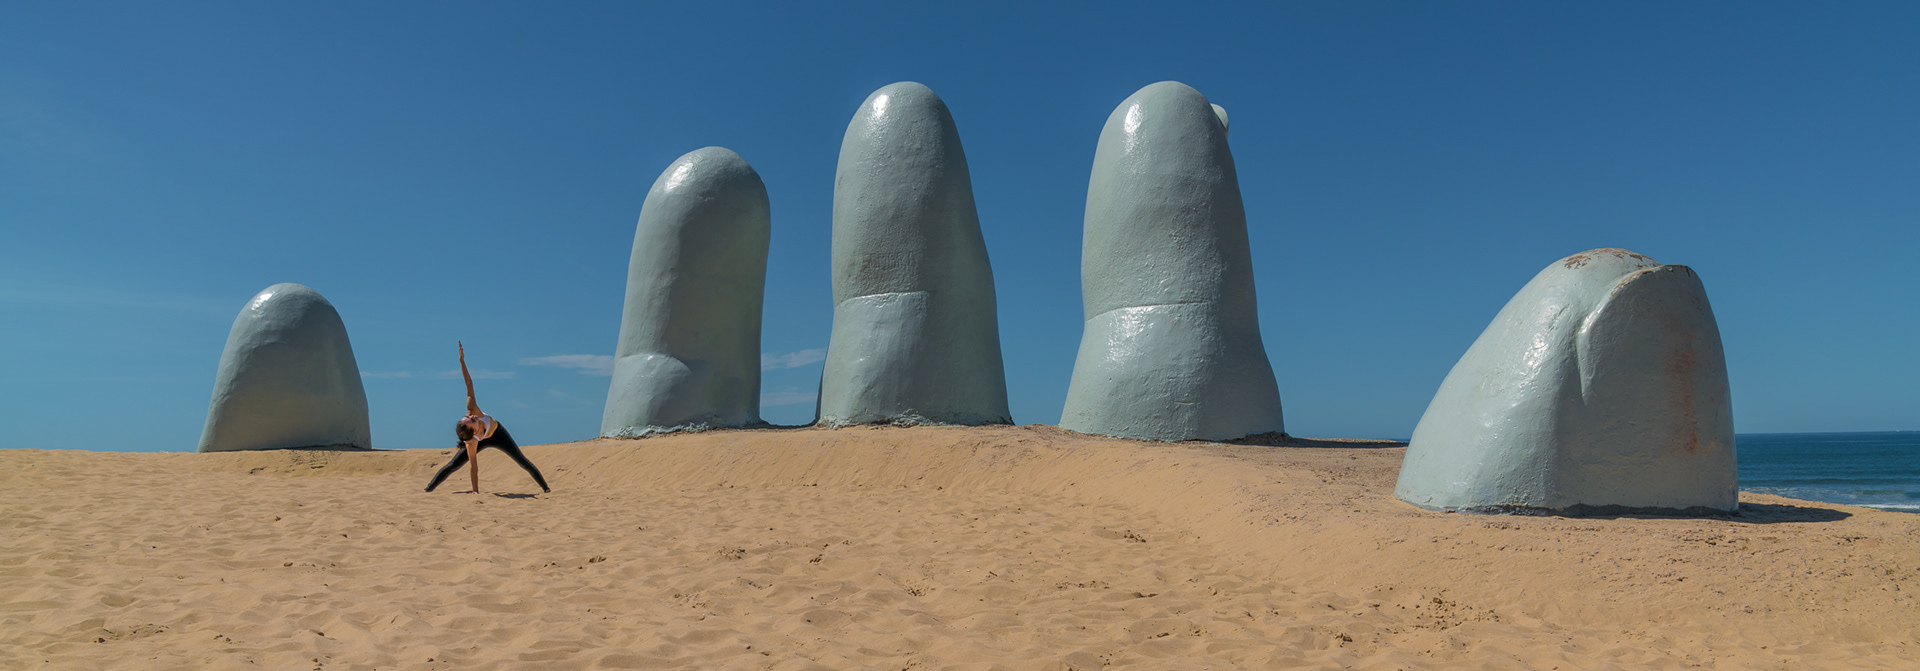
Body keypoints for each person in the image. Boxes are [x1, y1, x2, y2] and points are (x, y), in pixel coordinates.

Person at [425, 342, 552, 494]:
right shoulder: (471, 443)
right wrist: (475, 491)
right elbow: (474, 467)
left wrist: (461, 361)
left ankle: (546, 489)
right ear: (472, 432)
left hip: (498, 434)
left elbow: (469, 383)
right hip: (480, 441)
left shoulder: (472, 408)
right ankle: (428, 490)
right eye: (471, 420)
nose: (471, 416)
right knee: (453, 465)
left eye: (468, 417)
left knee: (522, 461)